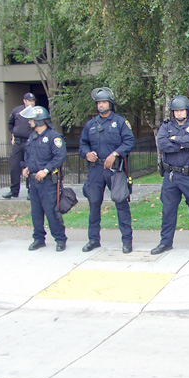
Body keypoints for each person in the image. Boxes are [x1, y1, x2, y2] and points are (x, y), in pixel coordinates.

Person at [151, 96, 189, 256]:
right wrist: (183, 145)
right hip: (171, 175)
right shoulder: (166, 127)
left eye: (182, 110)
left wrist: (176, 140)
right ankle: (165, 243)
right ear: (173, 113)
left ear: (187, 111)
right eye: (176, 111)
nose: (179, 113)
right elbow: (162, 144)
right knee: (168, 210)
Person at [79, 87, 135, 254]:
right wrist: (86, 153)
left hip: (114, 169)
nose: (101, 105)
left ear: (110, 103)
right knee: (94, 204)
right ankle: (93, 239)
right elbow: (82, 143)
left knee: (121, 203)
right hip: (96, 169)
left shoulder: (120, 122)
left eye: (103, 102)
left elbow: (129, 141)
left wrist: (115, 154)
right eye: (98, 103)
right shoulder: (90, 124)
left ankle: (127, 240)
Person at [20, 105, 67, 251]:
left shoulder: (54, 137)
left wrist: (46, 170)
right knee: (36, 212)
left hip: (47, 182)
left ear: (39, 120)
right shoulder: (32, 137)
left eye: (32, 120)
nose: (29, 122)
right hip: (33, 181)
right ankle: (39, 238)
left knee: (51, 211)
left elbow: (59, 156)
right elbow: (28, 155)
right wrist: (27, 167)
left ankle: (60, 239)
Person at [3, 92, 36, 199]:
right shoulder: (17, 111)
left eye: (33, 101)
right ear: (24, 101)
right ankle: (13, 191)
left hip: (29, 142)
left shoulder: (36, 112)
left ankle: (31, 191)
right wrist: (13, 133)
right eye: (29, 101)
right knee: (14, 166)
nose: (31, 103)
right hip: (18, 142)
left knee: (30, 166)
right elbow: (10, 123)